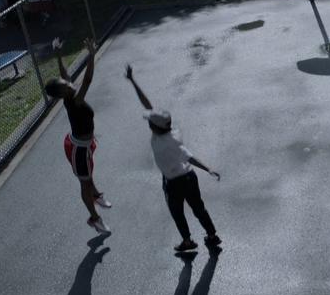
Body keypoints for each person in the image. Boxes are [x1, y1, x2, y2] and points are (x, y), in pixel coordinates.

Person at [125, 64, 223, 252]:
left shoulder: (166, 143)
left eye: (150, 122)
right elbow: (148, 105)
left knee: (177, 213)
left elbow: (189, 156)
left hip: (175, 182)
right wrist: (132, 81)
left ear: (155, 127)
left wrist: (208, 168)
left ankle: (187, 241)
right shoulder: (169, 130)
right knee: (198, 208)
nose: (148, 122)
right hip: (189, 178)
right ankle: (212, 235)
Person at [44, 38, 112, 234]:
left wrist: (57, 52)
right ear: (63, 93)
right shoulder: (75, 99)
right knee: (84, 182)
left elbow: (64, 74)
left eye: (67, 83)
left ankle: (96, 194)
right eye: (66, 86)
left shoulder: (68, 94)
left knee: (88, 174)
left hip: (84, 143)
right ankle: (94, 218)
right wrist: (91, 54)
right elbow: (88, 80)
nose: (70, 84)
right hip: (79, 149)